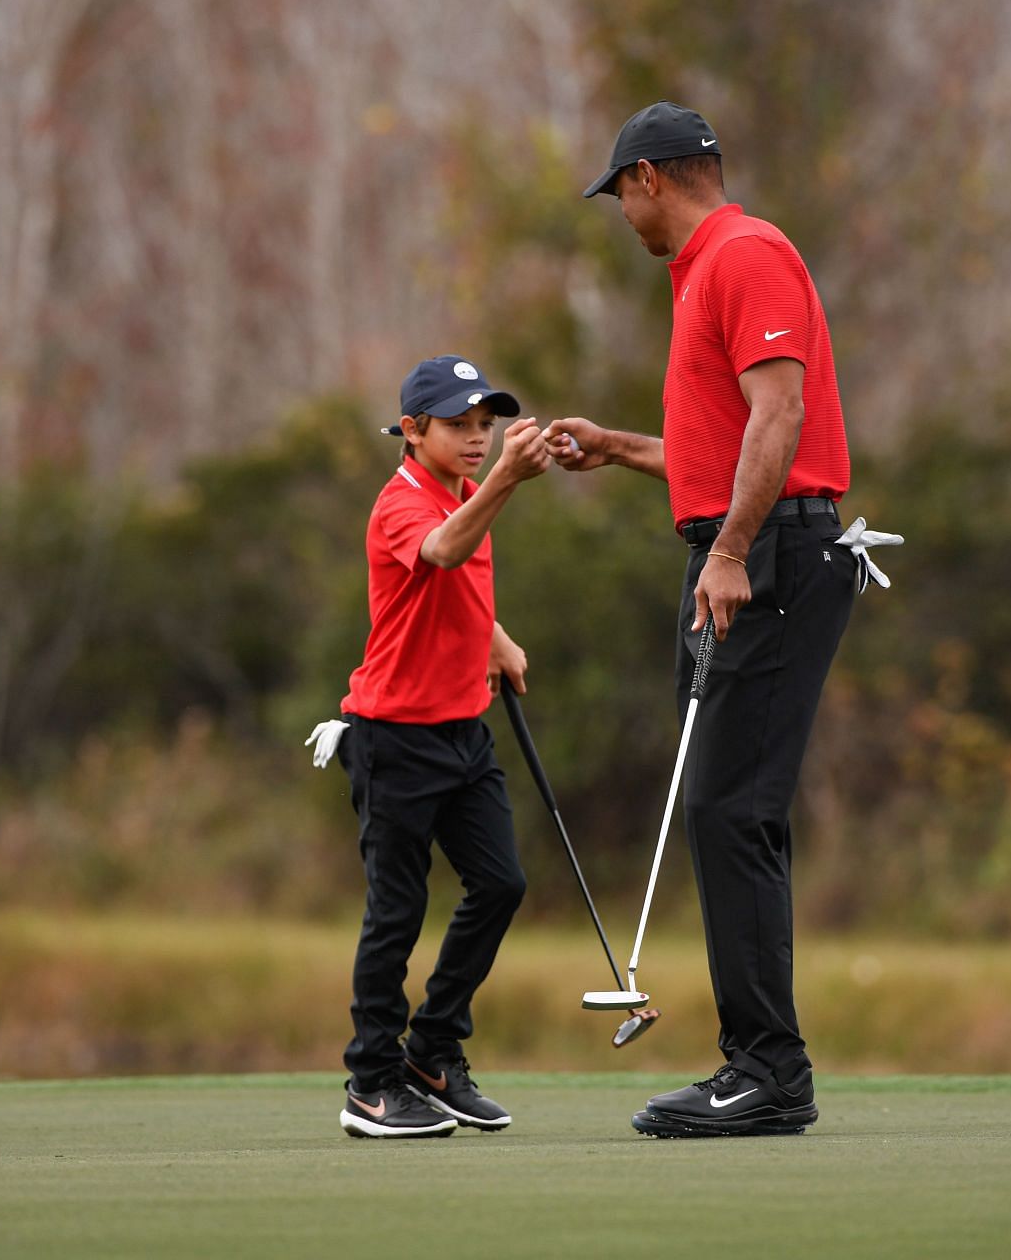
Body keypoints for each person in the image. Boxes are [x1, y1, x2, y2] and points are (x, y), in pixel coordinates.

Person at [550, 101, 896, 1138]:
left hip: (771, 554)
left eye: (620, 194)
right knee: (732, 808)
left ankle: (766, 1067)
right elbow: (727, 443)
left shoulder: (744, 254)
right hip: (742, 546)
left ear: (650, 177)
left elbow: (782, 417)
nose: (621, 214)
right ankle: (765, 1061)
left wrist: (735, 550)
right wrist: (618, 447)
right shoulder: (700, 272)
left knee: (728, 806)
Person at [306, 355, 551, 1138]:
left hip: (461, 730)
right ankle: (371, 1084)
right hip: (394, 739)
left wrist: (499, 639)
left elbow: (460, 588)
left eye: (487, 426)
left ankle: (432, 1051)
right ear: (412, 431)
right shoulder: (402, 504)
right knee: (397, 913)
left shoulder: (466, 493)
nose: (479, 440)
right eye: (459, 426)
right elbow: (441, 553)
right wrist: (511, 479)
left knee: (502, 883)